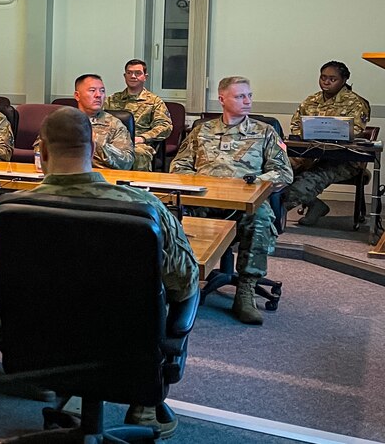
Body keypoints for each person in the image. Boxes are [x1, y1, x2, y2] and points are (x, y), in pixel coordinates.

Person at [31, 106, 198, 438]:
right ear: (93, 149)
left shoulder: (17, 207)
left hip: (46, 343)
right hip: (129, 343)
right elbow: (185, 282)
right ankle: (144, 401)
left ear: (44, 151)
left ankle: (76, 390)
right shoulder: (143, 208)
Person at [171, 76, 293, 325]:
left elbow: (284, 173)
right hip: (204, 202)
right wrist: (198, 183)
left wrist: (252, 183)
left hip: (245, 205)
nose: (247, 101)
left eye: (249, 95)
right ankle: (182, 282)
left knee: (259, 219)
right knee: (170, 215)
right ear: (222, 99)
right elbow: (179, 165)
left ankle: (246, 289)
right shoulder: (201, 131)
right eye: (240, 96)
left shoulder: (265, 132)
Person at [283, 61, 372, 225]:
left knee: (309, 179)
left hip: (342, 159)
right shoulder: (312, 100)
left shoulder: (356, 103)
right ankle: (315, 205)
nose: (326, 82)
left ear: (344, 80)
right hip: (309, 153)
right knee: (279, 168)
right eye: (323, 77)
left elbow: (356, 130)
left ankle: (274, 212)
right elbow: (296, 125)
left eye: (332, 79)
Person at [104, 59, 173, 171]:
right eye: (129, 73)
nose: (133, 76)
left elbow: (165, 126)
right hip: (113, 141)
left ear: (145, 77)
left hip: (139, 143)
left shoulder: (154, 101)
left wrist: (143, 138)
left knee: (137, 154)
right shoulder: (112, 100)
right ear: (124, 76)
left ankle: (138, 187)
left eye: (138, 73)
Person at [73, 74, 134, 170]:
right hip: (67, 177)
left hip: (103, 179)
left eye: (102, 91)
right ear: (77, 95)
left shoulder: (114, 124)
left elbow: (126, 163)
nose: (98, 95)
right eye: (92, 91)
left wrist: (97, 142)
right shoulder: (63, 121)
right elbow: (41, 153)